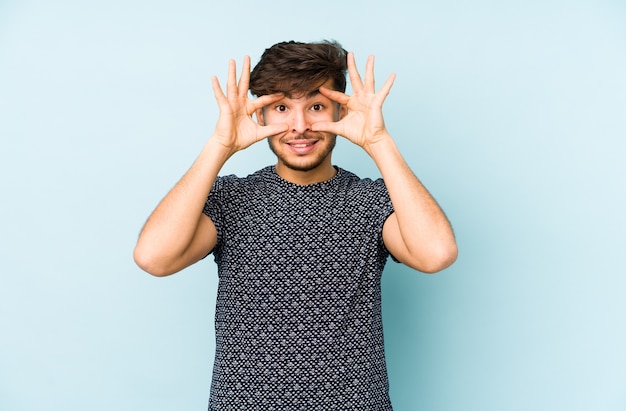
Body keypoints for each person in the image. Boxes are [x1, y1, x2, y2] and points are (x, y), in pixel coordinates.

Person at [134, 40, 457, 410]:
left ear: (340, 109)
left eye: (316, 107)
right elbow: (153, 258)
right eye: (282, 108)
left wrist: (379, 142)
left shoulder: (372, 201)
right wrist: (219, 146)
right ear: (261, 116)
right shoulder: (230, 198)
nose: (300, 126)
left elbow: (436, 254)